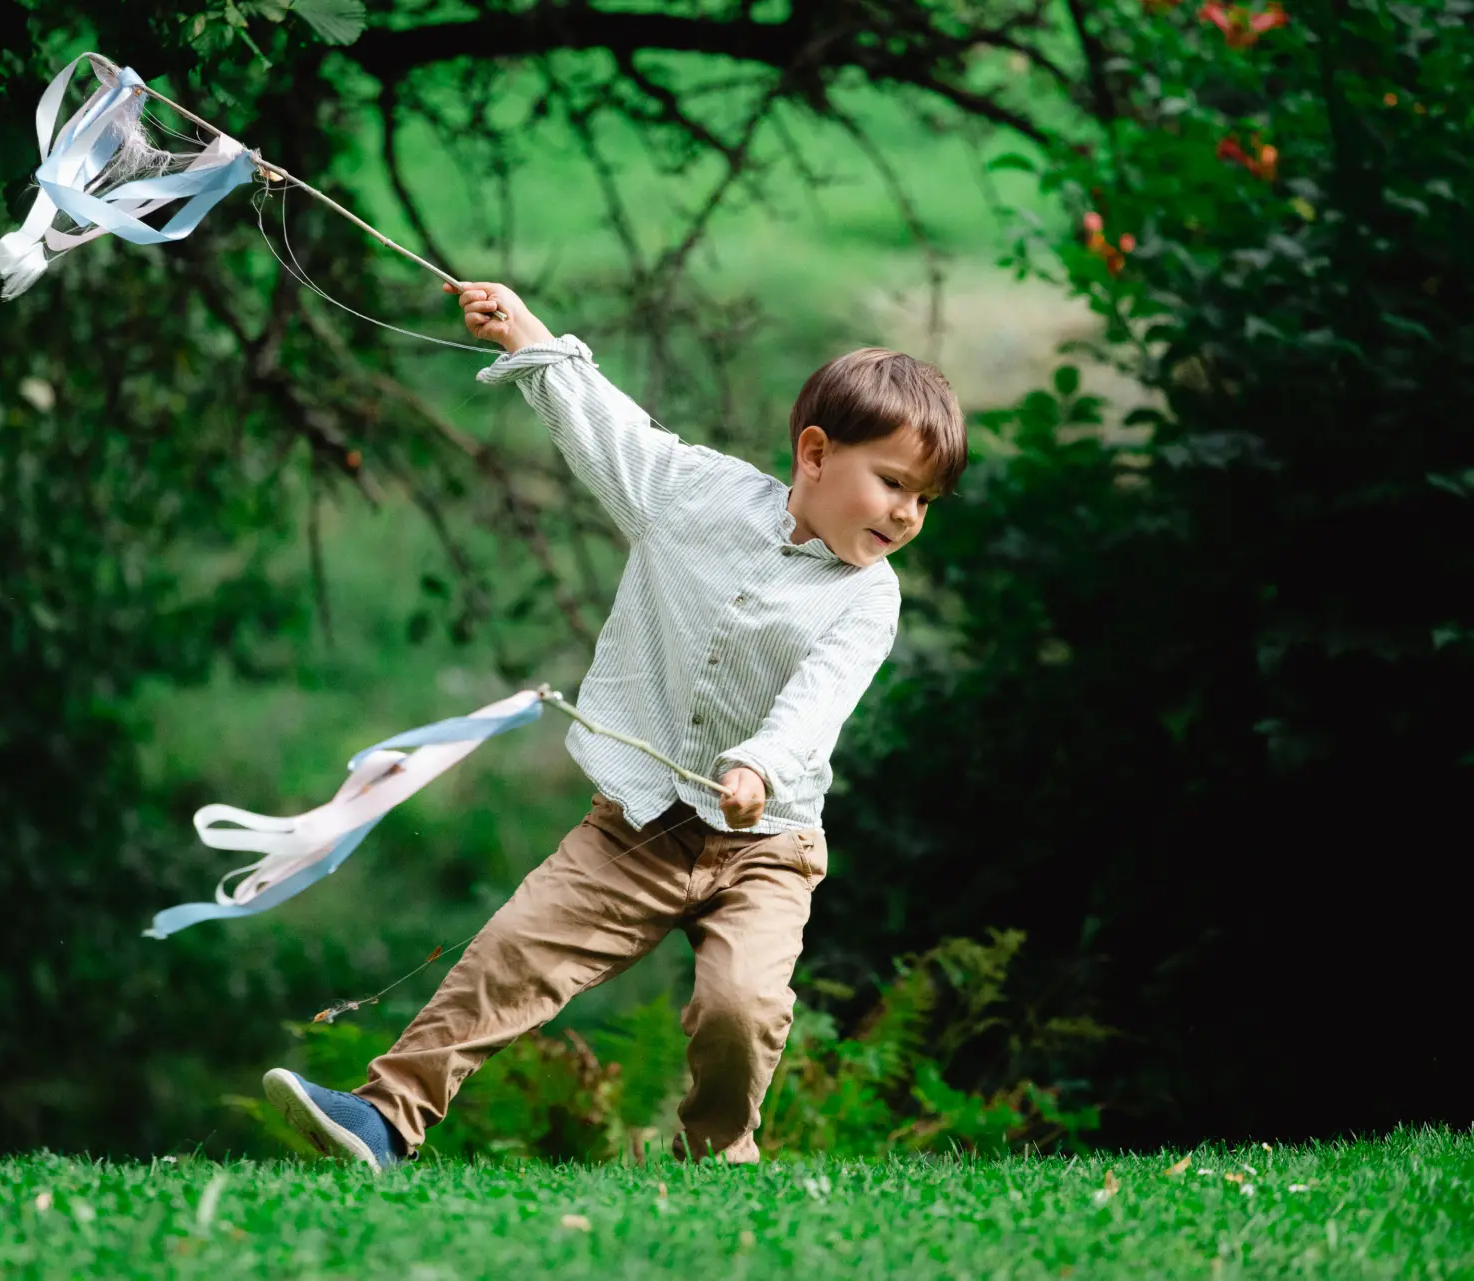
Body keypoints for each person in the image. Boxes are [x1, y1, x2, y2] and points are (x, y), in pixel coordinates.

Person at [261, 281, 966, 1169]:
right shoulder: (695, 495)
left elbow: (818, 700)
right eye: (894, 483)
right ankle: (384, 1118)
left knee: (741, 1006)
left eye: (924, 500)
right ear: (816, 453)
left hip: (765, 848)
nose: (906, 514)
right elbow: (612, 430)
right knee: (510, 956)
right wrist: (527, 336)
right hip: (636, 822)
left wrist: (758, 765)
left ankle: (720, 1157)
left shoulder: (869, 598)